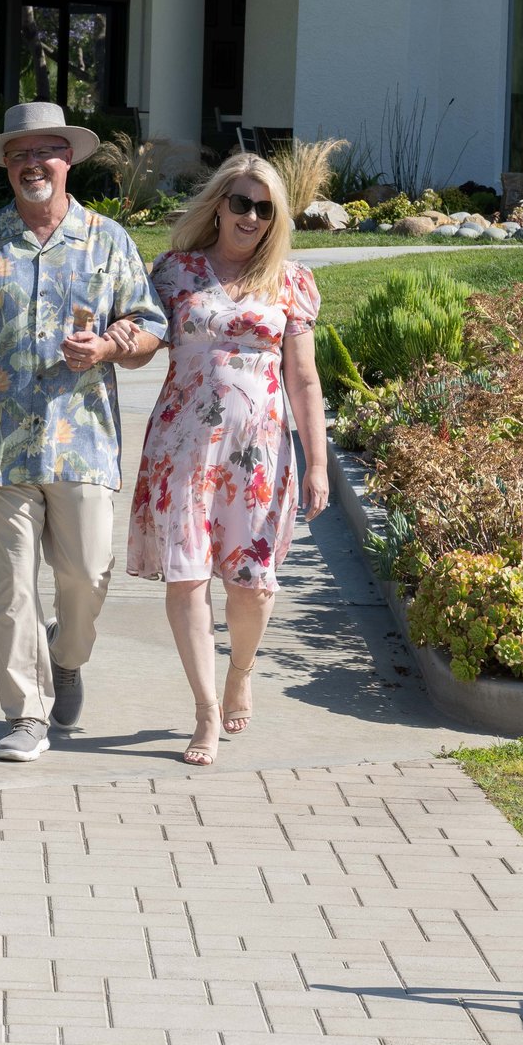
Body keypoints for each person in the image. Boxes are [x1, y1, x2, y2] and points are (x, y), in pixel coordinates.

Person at [0, 101, 165, 763]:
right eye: (18, 155)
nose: (31, 165)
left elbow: (149, 329)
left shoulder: (109, 241)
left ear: (67, 158)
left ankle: (66, 658)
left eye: (44, 152)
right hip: (1, 448)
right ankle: (25, 713)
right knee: (12, 586)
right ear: (7, 166)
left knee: (88, 575)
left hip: (84, 445)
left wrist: (108, 347)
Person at [124, 153, 331, 766]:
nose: (251, 217)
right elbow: (144, 343)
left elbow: (304, 379)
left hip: (258, 457)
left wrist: (317, 464)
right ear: (218, 204)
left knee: (252, 586)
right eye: (241, 202)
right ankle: (206, 710)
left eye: (265, 209)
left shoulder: (289, 282)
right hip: (183, 450)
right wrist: (111, 345)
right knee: (186, 576)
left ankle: (241, 671)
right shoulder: (175, 272)